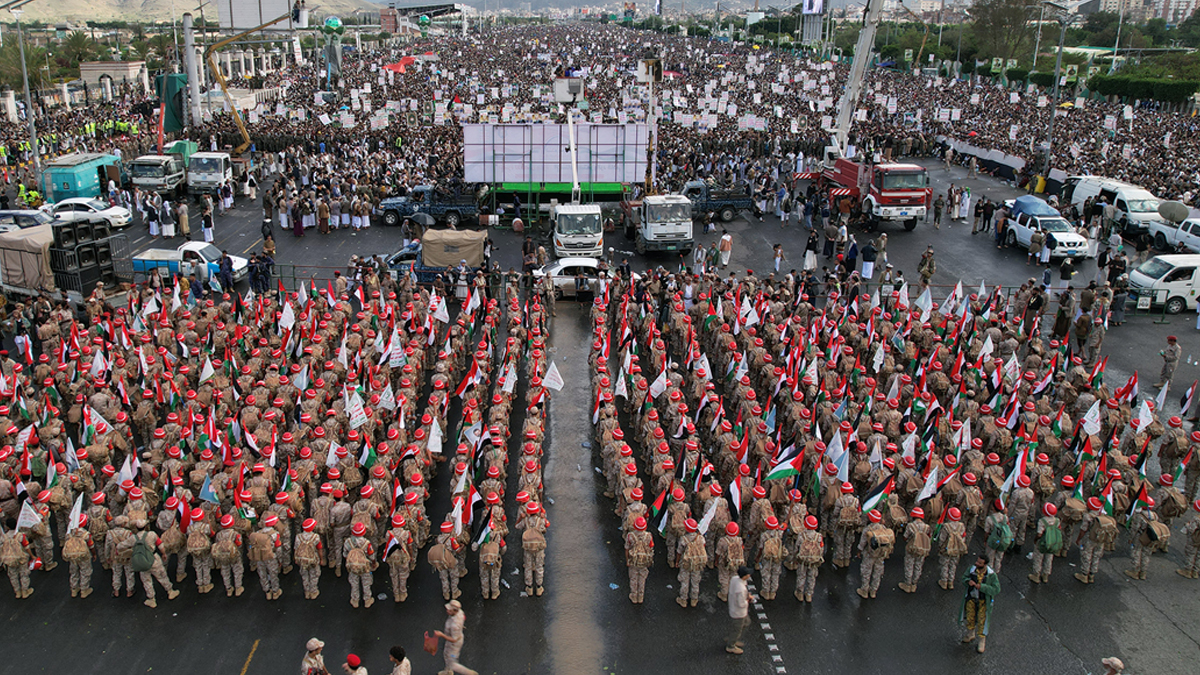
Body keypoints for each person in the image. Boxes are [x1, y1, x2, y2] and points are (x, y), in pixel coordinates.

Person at [959, 554, 1000, 653]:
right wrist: (968, 581)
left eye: (980, 563)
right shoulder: (972, 570)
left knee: (982, 620)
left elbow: (996, 589)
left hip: (983, 601)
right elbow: (964, 578)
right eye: (977, 561)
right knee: (970, 616)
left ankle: (982, 641)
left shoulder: (991, 575)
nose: (977, 564)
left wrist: (982, 587)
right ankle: (970, 634)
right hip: (971, 598)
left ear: (985, 564)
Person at [434, 600, 478, 675]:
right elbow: (463, 617)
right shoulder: (460, 613)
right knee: (446, 656)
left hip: (453, 646)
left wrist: (441, 635)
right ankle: (448, 671)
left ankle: (469, 673)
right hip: (454, 639)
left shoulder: (455, 626)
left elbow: (454, 639)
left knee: (452, 663)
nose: (447, 610)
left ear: (454, 611)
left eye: (449, 610)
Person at [725, 565, 754, 655]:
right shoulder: (740, 589)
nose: (749, 575)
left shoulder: (735, 579)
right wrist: (749, 599)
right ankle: (731, 645)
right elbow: (741, 604)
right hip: (739, 613)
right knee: (737, 629)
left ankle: (733, 639)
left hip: (735, 610)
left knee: (746, 623)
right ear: (744, 576)